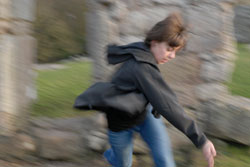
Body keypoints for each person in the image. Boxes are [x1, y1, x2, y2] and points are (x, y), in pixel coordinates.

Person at [75, 12, 216, 167]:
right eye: (169, 49)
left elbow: (161, 98)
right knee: (122, 163)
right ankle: (112, 155)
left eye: (175, 51)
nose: (172, 56)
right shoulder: (142, 68)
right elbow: (168, 105)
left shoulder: (142, 50)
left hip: (145, 116)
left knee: (165, 162)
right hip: (121, 126)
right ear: (154, 43)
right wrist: (201, 140)